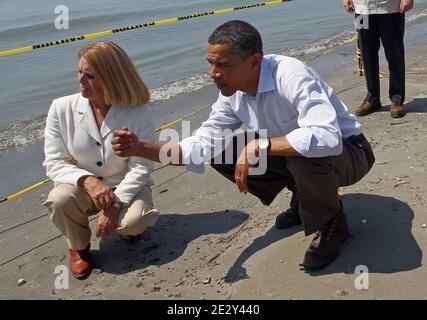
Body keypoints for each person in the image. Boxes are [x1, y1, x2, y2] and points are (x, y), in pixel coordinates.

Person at [112, 21, 375, 270]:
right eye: (211, 64)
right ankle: (304, 193)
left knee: (301, 150)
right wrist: (140, 147)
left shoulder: (291, 74)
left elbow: (326, 137)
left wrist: (259, 146)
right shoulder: (231, 93)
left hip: (351, 152)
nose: (213, 74)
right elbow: (201, 146)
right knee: (221, 152)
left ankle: (331, 221)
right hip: (300, 156)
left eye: (222, 65)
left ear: (255, 62)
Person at [43, 41, 159, 279]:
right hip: (81, 189)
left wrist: (115, 205)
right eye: (79, 72)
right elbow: (54, 162)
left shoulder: (137, 110)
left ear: (112, 77)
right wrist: (88, 181)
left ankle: (125, 228)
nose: (80, 81)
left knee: (133, 223)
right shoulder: (60, 108)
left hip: (125, 185)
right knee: (59, 199)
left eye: (90, 76)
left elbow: (142, 166)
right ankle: (79, 247)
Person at [344, 0, 415, 118]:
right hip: (361, 10)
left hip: (390, 9)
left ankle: (397, 99)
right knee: (366, 54)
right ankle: (372, 98)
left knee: (394, 54)